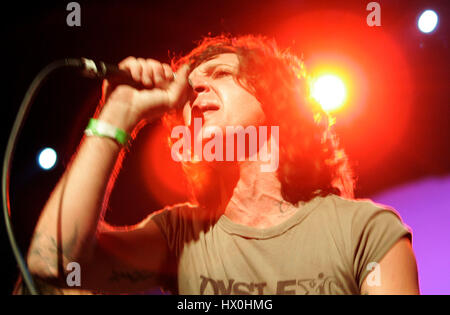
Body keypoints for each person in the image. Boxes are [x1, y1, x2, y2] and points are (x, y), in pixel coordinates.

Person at [26, 34, 419, 295]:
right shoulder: (181, 233)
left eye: (220, 74)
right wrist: (118, 114)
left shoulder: (363, 229)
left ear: (276, 102)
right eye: (191, 87)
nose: (197, 90)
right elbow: (50, 265)